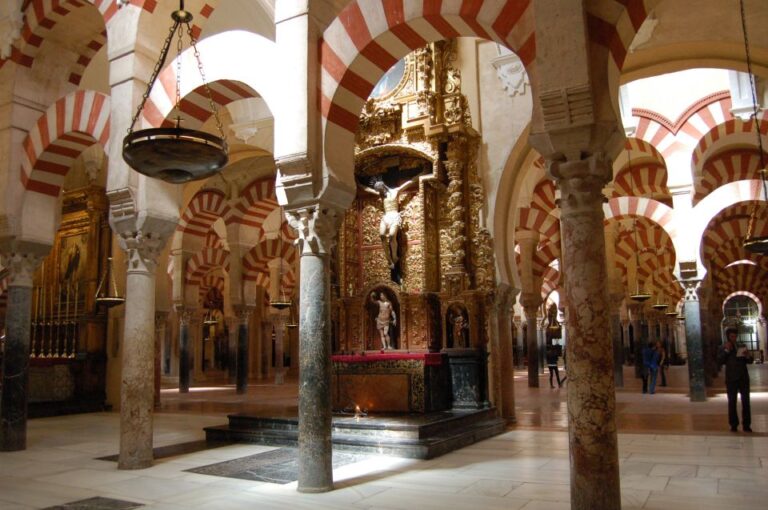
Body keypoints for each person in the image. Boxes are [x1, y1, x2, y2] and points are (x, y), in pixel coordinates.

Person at [717, 328, 753, 432]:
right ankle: (733, 424)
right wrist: (727, 351)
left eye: (735, 336)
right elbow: (720, 360)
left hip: (743, 378)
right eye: (732, 336)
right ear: (728, 336)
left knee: (746, 402)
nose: (734, 338)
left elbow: (750, 361)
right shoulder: (723, 347)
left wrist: (748, 356)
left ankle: (746, 424)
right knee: (732, 402)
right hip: (731, 379)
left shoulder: (741, 346)